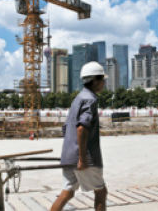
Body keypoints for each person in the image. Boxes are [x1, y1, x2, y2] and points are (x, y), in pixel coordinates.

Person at [51, 61, 108, 211]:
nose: (104, 82)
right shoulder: (90, 99)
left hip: (69, 155)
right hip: (84, 158)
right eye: (102, 79)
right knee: (101, 192)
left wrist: (71, 150)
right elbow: (82, 128)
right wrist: (82, 158)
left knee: (67, 192)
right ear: (95, 80)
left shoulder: (77, 98)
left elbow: (66, 128)